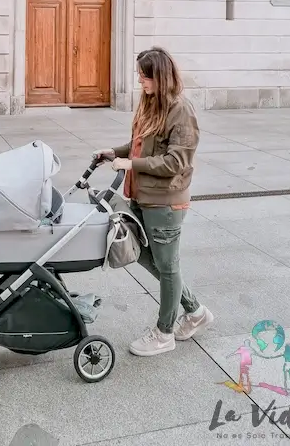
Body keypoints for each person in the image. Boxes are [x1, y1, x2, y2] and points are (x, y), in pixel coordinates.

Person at [95, 47, 213, 356]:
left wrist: (131, 165)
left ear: (159, 76)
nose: (139, 81)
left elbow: (176, 162)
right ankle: (196, 313)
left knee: (167, 266)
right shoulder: (151, 104)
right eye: (138, 75)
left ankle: (164, 333)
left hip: (165, 204)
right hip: (142, 198)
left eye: (144, 76)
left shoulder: (180, 111)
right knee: (149, 259)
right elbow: (141, 145)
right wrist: (115, 152)